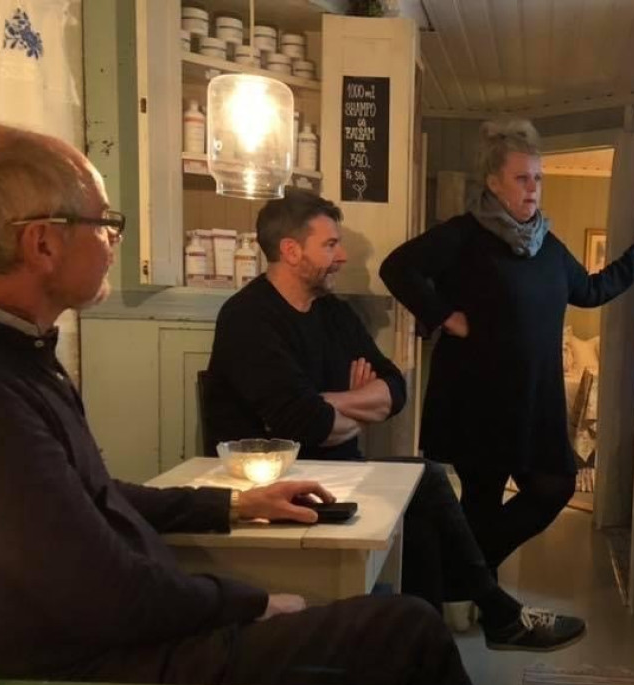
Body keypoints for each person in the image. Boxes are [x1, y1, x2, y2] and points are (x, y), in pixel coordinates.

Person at [0, 122, 474, 685]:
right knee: (405, 631)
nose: (114, 240)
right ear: (42, 244)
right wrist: (249, 602)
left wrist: (237, 503)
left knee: (415, 527)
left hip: (122, 631)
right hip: (85, 668)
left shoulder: (21, 353)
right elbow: (101, 591)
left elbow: (98, 497)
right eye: (104, 223)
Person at [205, 189, 586, 651]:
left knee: (421, 509)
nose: (342, 256)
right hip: (279, 487)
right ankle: (494, 619)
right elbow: (308, 424)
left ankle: (426, 646)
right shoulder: (248, 318)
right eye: (330, 245)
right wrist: (355, 406)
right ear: (290, 250)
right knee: (427, 480)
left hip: (337, 470)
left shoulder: (333, 313)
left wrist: (333, 403)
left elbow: (395, 390)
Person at [380, 119, 634, 575]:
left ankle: (460, 577)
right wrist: (445, 315)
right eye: (522, 178)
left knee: (555, 486)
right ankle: (472, 590)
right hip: (479, 400)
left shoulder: (547, 246)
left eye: (538, 178)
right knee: (481, 502)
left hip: (535, 401)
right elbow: (397, 268)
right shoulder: (463, 235)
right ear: (493, 182)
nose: (533, 188)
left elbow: (592, 290)